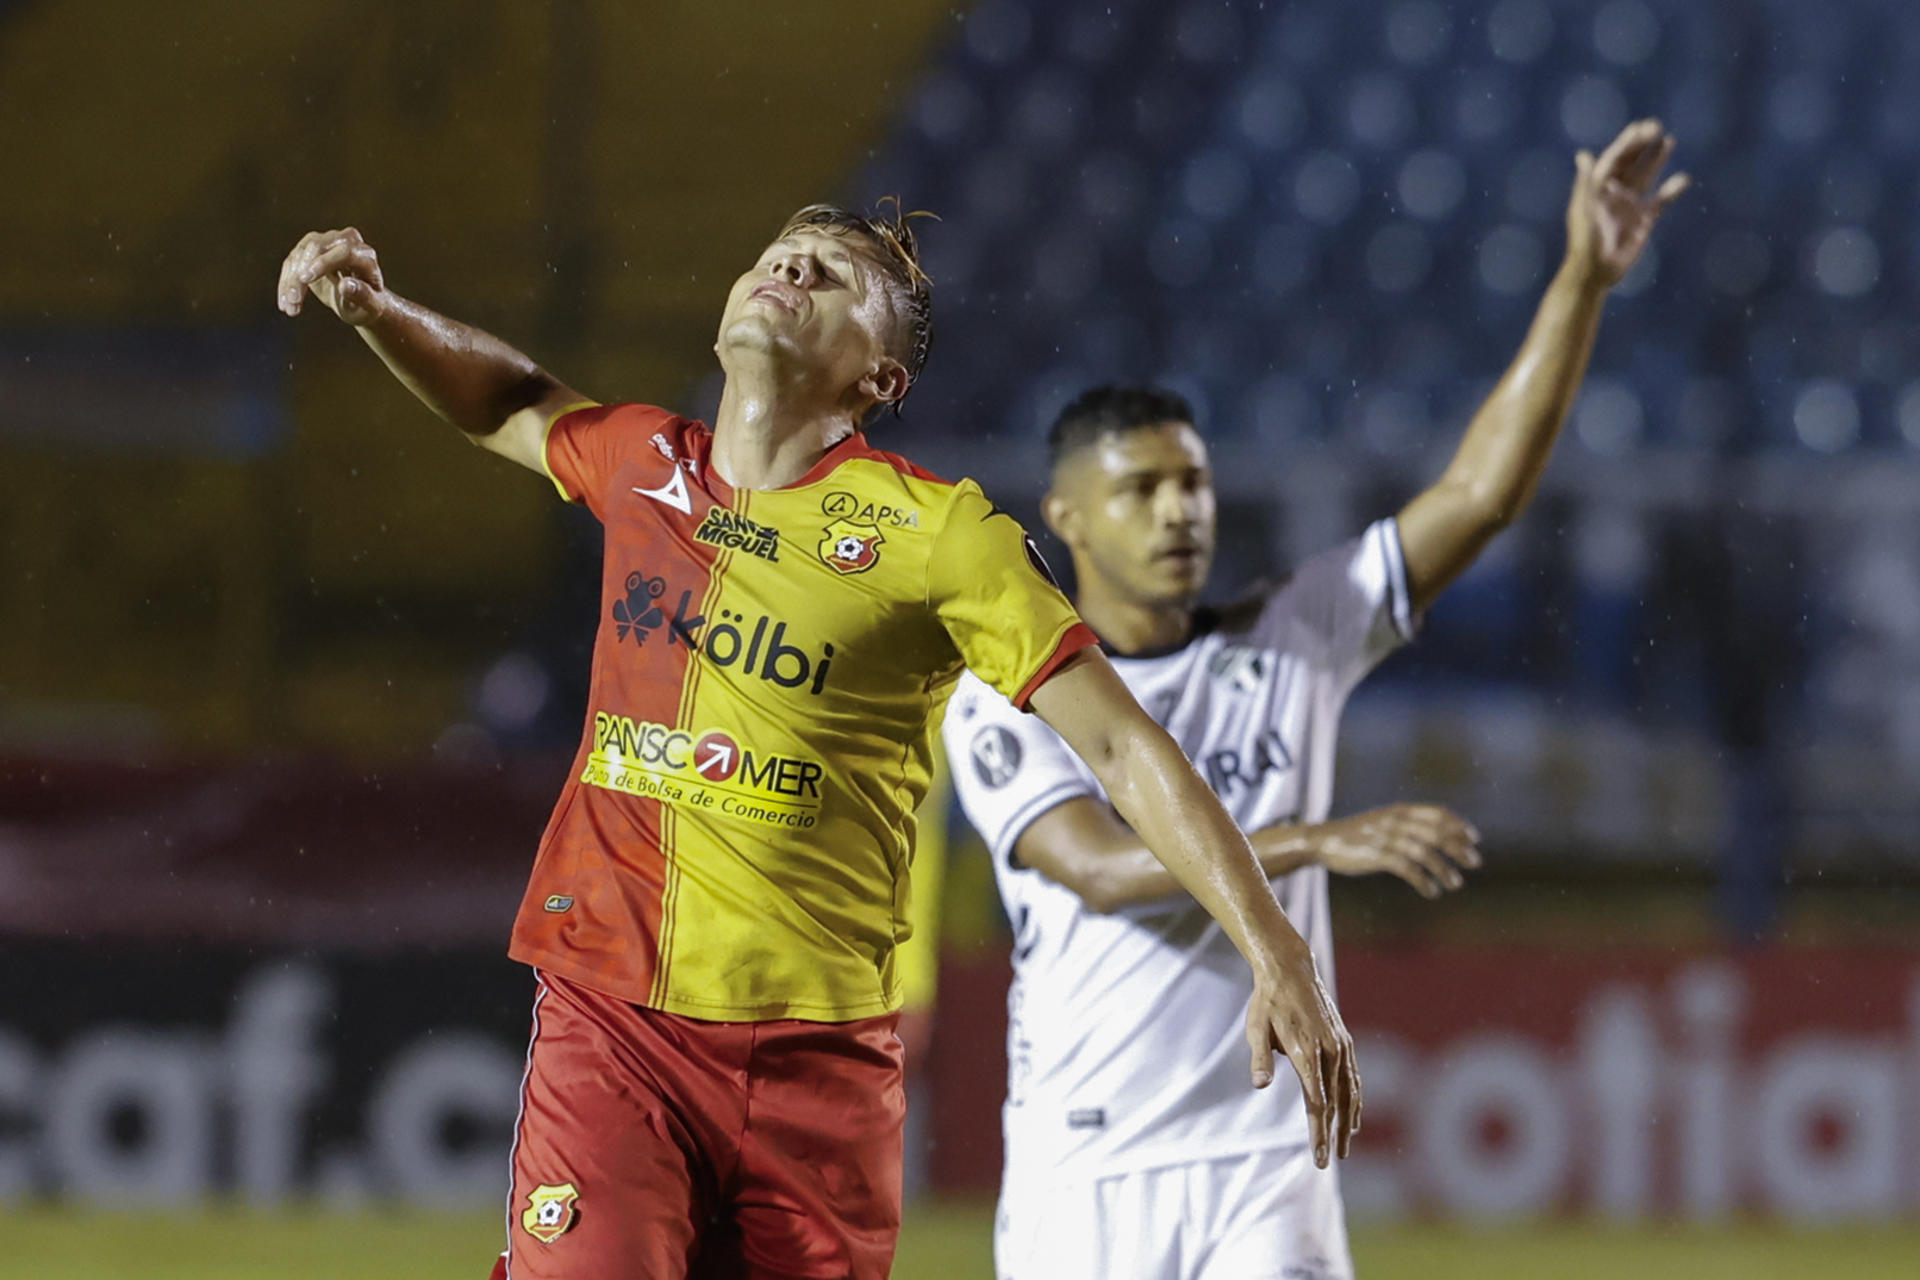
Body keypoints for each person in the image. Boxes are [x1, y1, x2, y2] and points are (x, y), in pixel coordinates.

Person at [275, 200, 1359, 1280]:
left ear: (879, 379)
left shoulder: (943, 536)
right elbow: (509, 400)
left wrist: (1278, 947)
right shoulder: (646, 461)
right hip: (616, 1019)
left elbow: (1121, 746)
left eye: (832, 277)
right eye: (779, 254)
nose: (791, 265)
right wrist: (379, 312)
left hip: (822, 1059)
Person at [943, 120, 1688, 1280]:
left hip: (1261, 1159)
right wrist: (1313, 843)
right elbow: (1094, 863)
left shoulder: (1293, 631)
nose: (1181, 510)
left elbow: (1479, 496)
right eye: (1140, 489)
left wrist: (1582, 281)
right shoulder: (1002, 688)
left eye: (1193, 481)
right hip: (1083, 1166)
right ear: (1069, 517)